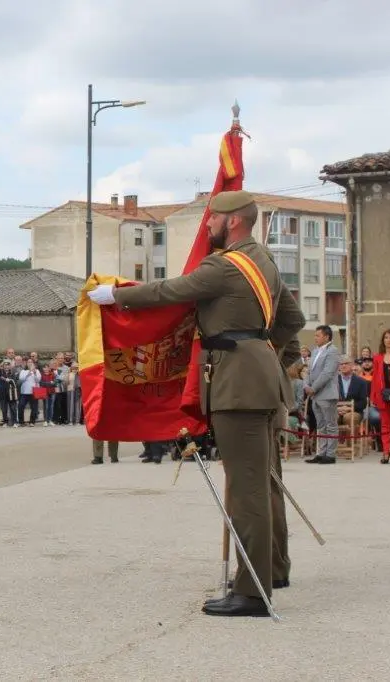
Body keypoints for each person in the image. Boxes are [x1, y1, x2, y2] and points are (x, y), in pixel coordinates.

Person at [89, 190, 305, 617]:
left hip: (237, 387)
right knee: (263, 482)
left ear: (234, 222)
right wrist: (260, 351)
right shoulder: (265, 263)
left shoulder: (223, 266)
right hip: (260, 382)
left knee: (245, 491)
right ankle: (272, 568)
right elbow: (292, 321)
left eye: (212, 220)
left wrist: (115, 296)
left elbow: (171, 290)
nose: (207, 227)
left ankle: (252, 591)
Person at [303, 325, 341, 464]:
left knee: (330, 424)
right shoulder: (315, 351)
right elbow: (308, 371)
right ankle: (321, 452)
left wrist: (314, 387)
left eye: (318, 335)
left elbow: (328, 373)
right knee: (321, 425)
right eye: (315, 335)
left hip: (327, 394)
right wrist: (306, 385)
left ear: (326, 336)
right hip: (315, 395)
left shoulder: (332, 351)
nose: (315, 338)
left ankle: (330, 454)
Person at [371, 329, 390, 464]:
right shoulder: (377, 357)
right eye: (386, 337)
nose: (388, 340)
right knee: (384, 424)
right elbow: (374, 379)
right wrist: (373, 396)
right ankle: (385, 452)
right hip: (382, 394)